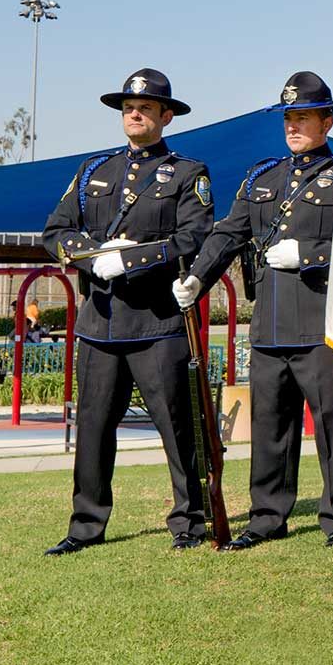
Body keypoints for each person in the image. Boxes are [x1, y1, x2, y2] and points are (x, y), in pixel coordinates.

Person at [173, 72, 333, 550]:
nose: (294, 126)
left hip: (324, 325)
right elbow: (228, 234)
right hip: (270, 327)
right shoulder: (263, 177)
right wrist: (198, 276)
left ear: (328, 121)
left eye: (304, 117)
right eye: (289, 118)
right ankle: (266, 518)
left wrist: (312, 255)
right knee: (270, 431)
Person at [41, 69, 213, 554]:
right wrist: (96, 256)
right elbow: (55, 231)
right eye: (127, 108)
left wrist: (130, 260)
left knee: (178, 428)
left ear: (165, 116)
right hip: (100, 325)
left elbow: (192, 237)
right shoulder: (94, 170)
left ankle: (188, 522)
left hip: (157, 324)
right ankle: (85, 526)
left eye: (145, 108)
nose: (134, 114)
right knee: (93, 431)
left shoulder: (187, 173)